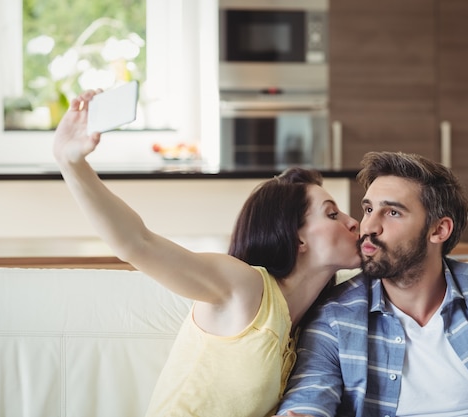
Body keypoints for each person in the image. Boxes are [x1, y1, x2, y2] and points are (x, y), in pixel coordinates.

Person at [52, 89, 361, 417]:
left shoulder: (306, 319)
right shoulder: (244, 287)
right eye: (332, 214)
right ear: (297, 238)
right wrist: (72, 163)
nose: (354, 222)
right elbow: (136, 243)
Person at [276, 151, 468, 417]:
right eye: (369, 209)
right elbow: (310, 393)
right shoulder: (335, 315)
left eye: (393, 212)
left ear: (439, 230)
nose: (368, 226)